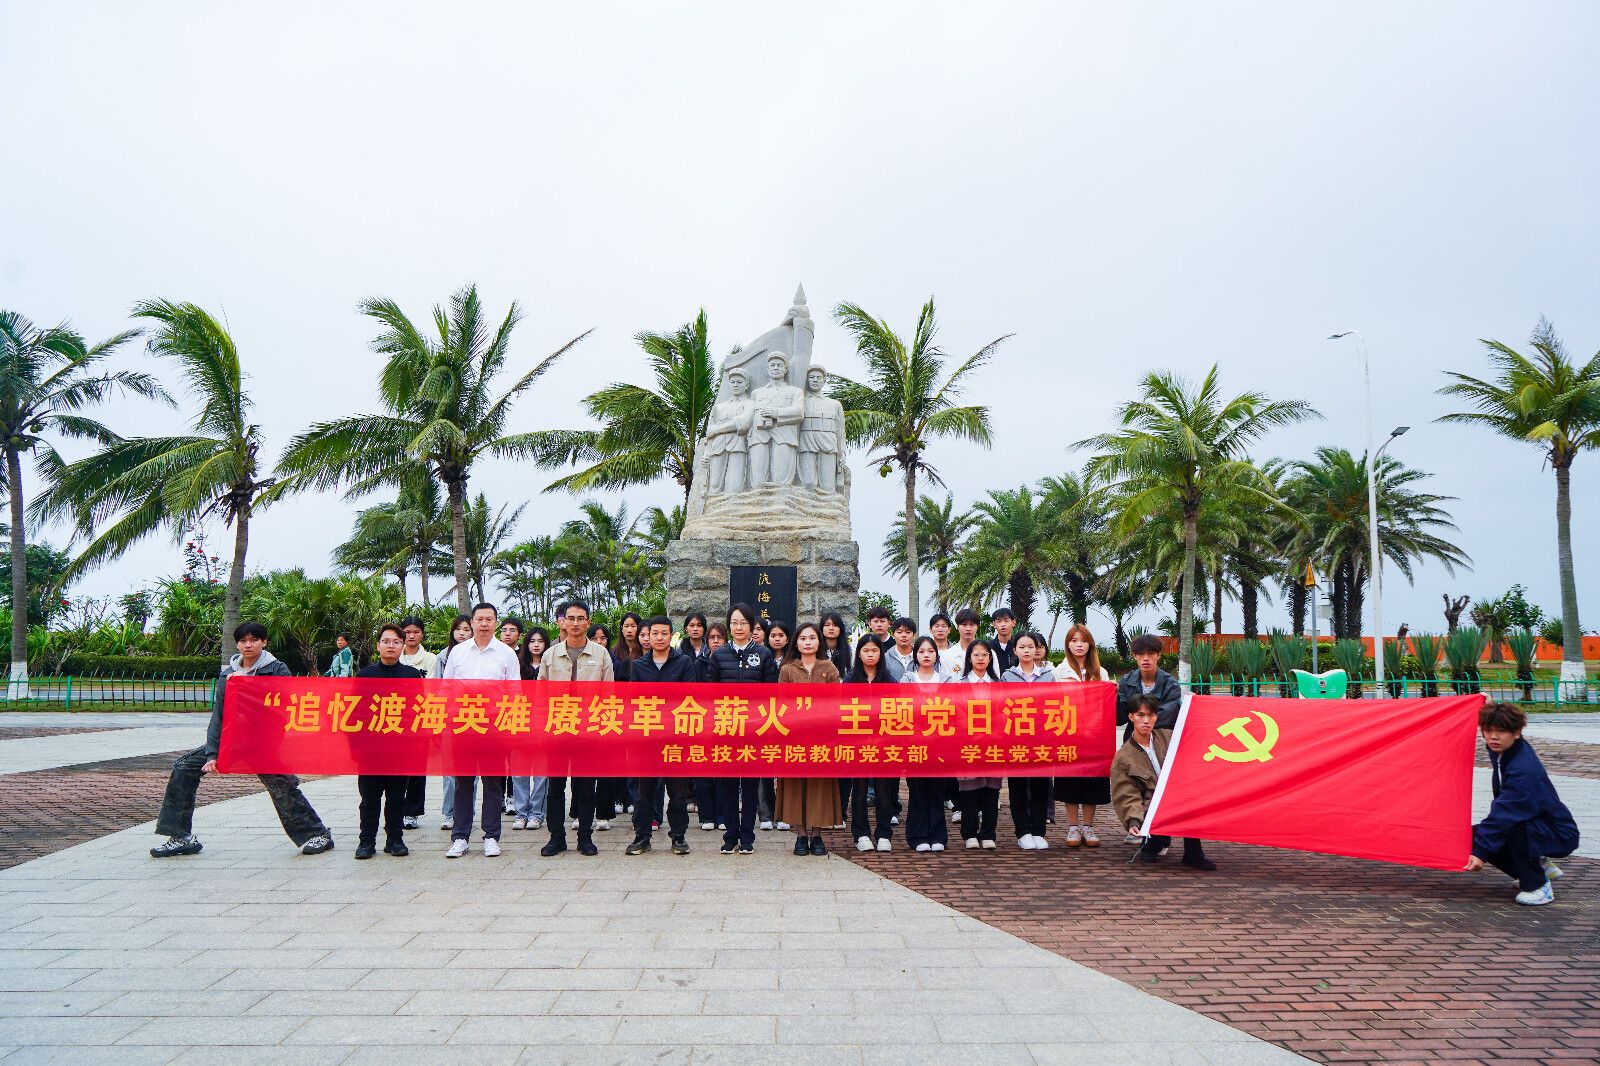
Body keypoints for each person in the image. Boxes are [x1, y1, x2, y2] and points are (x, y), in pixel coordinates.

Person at [150, 622, 334, 858]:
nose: (248, 645)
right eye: (243, 641)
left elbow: (286, 705)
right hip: (231, 741)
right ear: (237, 644)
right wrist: (212, 753)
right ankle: (180, 837)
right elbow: (219, 716)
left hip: (263, 743)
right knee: (184, 767)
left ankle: (317, 834)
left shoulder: (277, 669)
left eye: (254, 640)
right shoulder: (228, 675)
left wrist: (249, 687)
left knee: (281, 785)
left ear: (264, 642)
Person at [1466, 702, 1579, 906]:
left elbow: (1503, 816)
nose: (1493, 737)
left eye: (1501, 731)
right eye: (1488, 731)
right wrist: (1486, 704)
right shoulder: (1506, 750)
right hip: (1536, 825)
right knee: (1473, 836)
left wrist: (1481, 853)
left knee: (1509, 829)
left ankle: (1538, 886)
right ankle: (1540, 869)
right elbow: (1494, 737)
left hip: (1558, 833)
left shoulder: (1522, 770)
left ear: (1517, 733)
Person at [442, 602, 520, 858]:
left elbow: (515, 692)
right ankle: (460, 837)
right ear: (472, 622)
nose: (484, 624)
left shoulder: (506, 654)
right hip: (464, 724)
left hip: (495, 727)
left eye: (489, 619)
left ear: (495, 622)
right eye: (480, 619)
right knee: (463, 782)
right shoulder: (458, 652)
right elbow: (447, 688)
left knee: (493, 782)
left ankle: (491, 836)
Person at [539, 600, 615, 857]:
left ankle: (585, 838)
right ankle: (556, 837)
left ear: (588, 622)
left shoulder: (601, 654)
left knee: (585, 787)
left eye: (580, 618)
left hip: (588, 731)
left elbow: (608, 695)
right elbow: (540, 695)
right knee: (555, 787)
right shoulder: (550, 655)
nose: (575, 623)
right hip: (557, 729)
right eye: (570, 618)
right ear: (562, 622)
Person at [706, 603, 779, 854]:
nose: (739, 627)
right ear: (729, 625)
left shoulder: (763, 654)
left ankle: (747, 836)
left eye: (744, 623)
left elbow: (771, 694)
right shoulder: (719, 655)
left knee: (749, 786)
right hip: (726, 728)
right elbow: (710, 693)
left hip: (753, 730)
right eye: (734, 623)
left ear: (751, 626)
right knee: (727, 785)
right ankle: (730, 836)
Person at [1112, 694, 1215, 870]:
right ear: (1131, 717)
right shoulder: (1123, 757)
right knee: (1150, 852)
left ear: (1156, 717)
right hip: (1151, 805)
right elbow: (1126, 793)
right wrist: (1133, 821)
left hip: (1179, 797)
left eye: (1151, 715)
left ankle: (1193, 854)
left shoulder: (1168, 737)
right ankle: (1154, 842)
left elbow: (1196, 734)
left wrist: (1194, 708)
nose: (1146, 721)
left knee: (1191, 800)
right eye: (1140, 715)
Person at [626, 615, 699, 856]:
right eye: (654, 633)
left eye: (664, 633)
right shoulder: (639, 666)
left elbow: (689, 698)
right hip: (647, 739)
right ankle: (642, 836)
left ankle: (678, 836)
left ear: (671, 635)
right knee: (644, 793)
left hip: (675, 738)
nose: (659, 638)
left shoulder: (684, 662)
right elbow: (635, 702)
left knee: (677, 792)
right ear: (647, 636)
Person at [353, 624, 422, 860]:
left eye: (395, 642)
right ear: (378, 646)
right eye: (386, 641)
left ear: (402, 646)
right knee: (369, 799)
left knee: (396, 798)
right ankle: (366, 842)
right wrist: (355, 747)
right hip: (371, 750)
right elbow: (354, 714)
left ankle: (395, 840)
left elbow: (418, 712)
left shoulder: (412, 675)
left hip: (400, 749)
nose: (390, 646)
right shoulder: (365, 676)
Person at [776, 622, 843, 856]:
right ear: (796, 642)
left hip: (822, 737)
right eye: (803, 638)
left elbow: (836, 701)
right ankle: (801, 835)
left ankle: (817, 835)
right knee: (796, 786)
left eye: (812, 638)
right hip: (795, 736)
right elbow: (782, 703)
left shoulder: (829, 668)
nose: (807, 642)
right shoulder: (787, 669)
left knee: (819, 786)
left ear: (819, 642)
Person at [1054, 624, 1111, 848]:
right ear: (1068, 644)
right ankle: (1072, 827)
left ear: (1090, 644)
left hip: (1094, 736)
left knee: (1091, 781)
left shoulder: (1100, 672)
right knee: (1070, 780)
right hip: (1068, 734)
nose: (1079, 645)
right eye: (1074, 640)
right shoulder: (1059, 672)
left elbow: (1105, 705)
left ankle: (1088, 826)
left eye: (1084, 641)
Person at [1002, 631, 1056, 851]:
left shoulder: (1048, 675)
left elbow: (1056, 703)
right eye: (1022, 647)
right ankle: (1023, 831)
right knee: (1018, 786)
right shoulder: (1007, 676)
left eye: (1030, 647)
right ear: (1015, 650)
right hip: (1016, 738)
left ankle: (1038, 830)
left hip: (1042, 738)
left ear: (1037, 649)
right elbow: (1001, 706)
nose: (1026, 651)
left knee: (1040, 785)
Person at [845, 635, 898, 852]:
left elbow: (897, 712)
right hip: (858, 743)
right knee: (858, 790)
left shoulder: (889, 680)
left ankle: (884, 833)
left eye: (874, 650)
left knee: (884, 790)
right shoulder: (850, 680)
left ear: (880, 654)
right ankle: (861, 834)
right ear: (859, 653)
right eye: (866, 650)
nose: (870, 655)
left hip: (883, 743)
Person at [900, 636, 950, 853]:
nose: (926, 655)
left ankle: (938, 835)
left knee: (938, 791)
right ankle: (918, 836)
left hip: (940, 744)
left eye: (930, 651)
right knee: (918, 791)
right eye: (921, 652)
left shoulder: (947, 680)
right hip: (915, 744)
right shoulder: (907, 680)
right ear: (915, 656)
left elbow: (954, 710)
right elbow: (903, 710)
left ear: (936, 655)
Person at [951, 640, 1001, 849]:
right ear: (969, 658)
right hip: (968, 743)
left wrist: (991, 732)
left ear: (990, 658)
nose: (980, 658)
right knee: (969, 789)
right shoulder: (959, 684)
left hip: (993, 744)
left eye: (984, 655)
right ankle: (969, 833)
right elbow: (955, 713)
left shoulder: (998, 685)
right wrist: (974, 731)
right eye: (976, 655)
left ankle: (988, 833)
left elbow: (1004, 713)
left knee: (991, 789)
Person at [432, 613, 473, 831]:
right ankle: (449, 813)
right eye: (458, 629)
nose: (462, 634)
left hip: (474, 717)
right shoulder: (443, 656)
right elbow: (439, 689)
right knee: (449, 772)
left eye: (466, 630)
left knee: (471, 773)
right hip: (450, 718)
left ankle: (467, 813)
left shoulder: (478, 655)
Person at [396, 616, 436, 829]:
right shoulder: (393, 654)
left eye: (416, 632)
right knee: (395, 768)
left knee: (417, 769)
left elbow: (431, 690)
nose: (411, 636)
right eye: (407, 632)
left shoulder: (430, 659)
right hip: (394, 717)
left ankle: (412, 813)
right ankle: (395, 810)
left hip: (419, 717)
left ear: (422, 634)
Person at [510, 627, 551, 832]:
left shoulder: (551, 666)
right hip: (520, 722)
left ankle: (537, 813)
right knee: (519, 771)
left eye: (540, 641)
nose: (536, 645)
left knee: (542, 772)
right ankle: (521, 813)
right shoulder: (517, 666)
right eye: (532, 641)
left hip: (544, 723)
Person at [757, 619, 795, 831]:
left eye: (781, 635)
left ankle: (784, 813)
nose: (777, 639)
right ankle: (765, 813)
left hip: (788, 720)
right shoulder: (760, 657)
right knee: (764, 765)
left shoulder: (794, 661)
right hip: (765, 717)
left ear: (788, 638)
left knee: (785, 768)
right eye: (773, 635)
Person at [1116, 634, 1182, 738]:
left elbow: (1167, 717)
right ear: (1134, 656)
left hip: (1162, 740)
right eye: (1141, 654)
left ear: (1158, 655)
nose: (1146, 658)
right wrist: (1115, 697)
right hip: (1133, 740)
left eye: (1151, 653)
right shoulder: (1126, 682)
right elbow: (1120, 719)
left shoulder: (1171, 684)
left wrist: (1137, 717)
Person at [820, 611, 852, 678]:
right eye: (827, 625)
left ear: (840, 629)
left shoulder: (850, 651)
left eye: (835, 625)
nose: (831, 628)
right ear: (822, 628)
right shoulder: (817, 651)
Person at [987, 608, 1018, 674]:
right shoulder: (988, 647)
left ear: (1013, 622)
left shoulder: (1019, 646)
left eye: (1006, 621)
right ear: (994, 624)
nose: (1003, 624)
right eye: (999, 621)